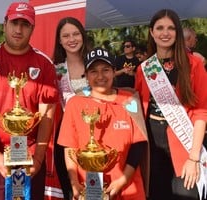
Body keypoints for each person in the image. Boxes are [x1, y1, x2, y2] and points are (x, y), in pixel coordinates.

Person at [0, 2, 59, 200]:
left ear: (32, 28)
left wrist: (38, 157)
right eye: (14, 23)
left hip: (29, 157)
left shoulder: (44, 63)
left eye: (25, 24)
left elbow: (47, 114)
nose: (18, 30)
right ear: (4, 24)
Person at [58, 47, 148, 200]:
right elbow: (69, 147)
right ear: (86, 75)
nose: (100, 76)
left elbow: (138, 146)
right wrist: (74, 182)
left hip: (127, 188)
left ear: (114, 71)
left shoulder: (130, 99)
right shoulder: (75, 103)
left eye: (105, 70)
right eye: (93, 71)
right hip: (88, 189)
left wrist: (122, 180)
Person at [135, 9, 207, 200]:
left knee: (185, 194)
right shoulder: (144, 68)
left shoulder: (193, 64)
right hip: (152, 142)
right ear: (151, 32)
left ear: (177, 32)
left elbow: (202, 113)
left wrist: (194, 157)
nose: (165, 33)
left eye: (170, 28)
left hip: (184, 141)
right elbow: (137, 107)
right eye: (159, 28)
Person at [51, 16, 90, 200]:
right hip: (67, 136)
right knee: (70, 187)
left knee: (95, 185)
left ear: (83, 35)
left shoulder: (95, 63)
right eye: (66, 36)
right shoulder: (55, 69)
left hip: (96, 133)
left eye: (76, 34)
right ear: (59, 40)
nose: (72, 39)